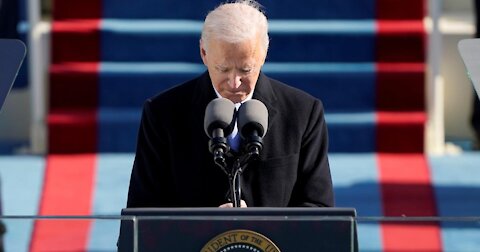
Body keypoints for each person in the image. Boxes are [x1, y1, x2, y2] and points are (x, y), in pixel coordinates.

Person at [126, 0, 334, 208]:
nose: (234, 83)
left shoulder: (303, 113)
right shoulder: (162, 114)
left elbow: (319, 210)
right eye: (223, 69)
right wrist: (207, 226)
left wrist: (260, 226)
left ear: (263, 55)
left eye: (245, 70)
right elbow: (143, 212)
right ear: (204, 54)